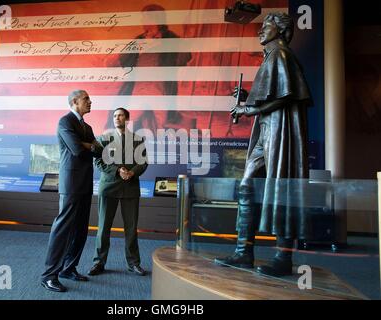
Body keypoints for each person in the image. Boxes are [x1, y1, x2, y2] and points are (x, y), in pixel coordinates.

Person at [215, 13, 312, 277]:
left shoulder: (281, 55)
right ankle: (243, 252)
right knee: (248, 184)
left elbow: (286, 96)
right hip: (267, 133)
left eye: (266, 26)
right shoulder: (271, 57)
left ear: (279, 31)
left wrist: (246, 109)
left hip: (280, 133)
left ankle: (283, 258)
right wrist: (249, 99)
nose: (260, 31)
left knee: (282, 188)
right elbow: (271, 94)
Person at [41, 90, 102, 292]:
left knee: (81, 229)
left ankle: (69, 268)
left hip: (85, 183)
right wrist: (89, 145)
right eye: (86, 99)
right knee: (63, 228)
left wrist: (90, 145)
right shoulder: (65, 122)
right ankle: (49, 275)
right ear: (74, 101)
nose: (90, 102)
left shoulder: (88, 126)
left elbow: (98, 150)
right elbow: (76, 149)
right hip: (71, 183)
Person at [105, 4, 192, 132]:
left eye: (145, 18)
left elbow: (184, 58)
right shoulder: (139, 40)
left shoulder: (172, 39)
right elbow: (120, 59)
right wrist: (109, 61)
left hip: (161, 90)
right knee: (129, 124)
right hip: (138, 90)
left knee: (161, 127)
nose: (142, 22)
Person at [88, 107, 148, 276]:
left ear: (127, 119)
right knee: (103, 227)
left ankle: (134, 263)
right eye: (115, 116)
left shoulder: (138, 139)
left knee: (131, 228)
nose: (117, 118)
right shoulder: (104, 139)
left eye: (120, 115)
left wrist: (132, 172)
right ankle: (98, 262)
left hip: (130, 188)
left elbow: (143, 163)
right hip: (109, 187)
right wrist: (117, 171)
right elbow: (98, 162)